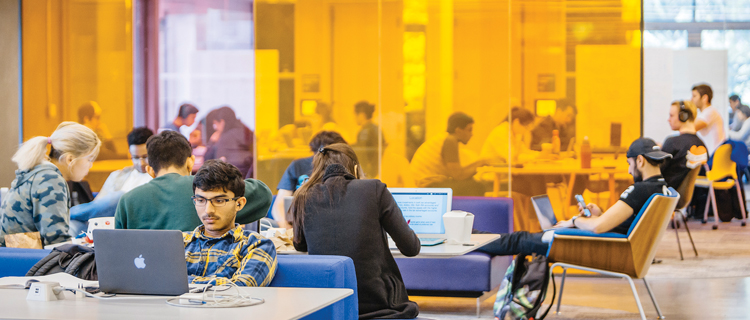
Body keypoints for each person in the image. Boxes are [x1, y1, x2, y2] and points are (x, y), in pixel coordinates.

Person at [479, 138, 673, 256]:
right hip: (618, 244)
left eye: (629, 163)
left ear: (640, 160)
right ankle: (475, 238)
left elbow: (597, 227)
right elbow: (626, 222)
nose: (629, 170)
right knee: (525, 238)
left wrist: (574, 221)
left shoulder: (640, 190)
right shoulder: (661, 188)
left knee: (519, 239)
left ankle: (473, 240)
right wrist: (601, 213)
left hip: (606, 248)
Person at [291, 143, 420, 319]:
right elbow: (411, 248)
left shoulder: (303, 195)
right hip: (380, 306)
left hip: (327, 306)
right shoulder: (375, 189)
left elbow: (300, 246)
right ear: (355, 168)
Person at [114, 130, 271, 231]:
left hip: (145, 280)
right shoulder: (207, 191)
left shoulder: (128, 201)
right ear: (190, 162)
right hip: (204, 274)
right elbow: (262, 193)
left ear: (149, 170)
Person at [0, 122, 101, 247]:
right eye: (89, 159)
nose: (91, 165)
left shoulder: (40, 171)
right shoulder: (51, 179)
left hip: (15, 255)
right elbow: (57, 243)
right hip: (23, 261)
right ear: (70, 159)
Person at [183, 160, 277, 286]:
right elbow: (155, 283)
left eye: (219, 200)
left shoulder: (255, 245)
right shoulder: (179, 242)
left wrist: (180, 282)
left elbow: (241, 289)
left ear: (239, 203)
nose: (208, 210)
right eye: (200, 200)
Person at [68, 127, 155, 235]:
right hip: (106, 223)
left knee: (121, 197)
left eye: (145, 157)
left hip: (131, 223)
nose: (141, 163)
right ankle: (68, 218)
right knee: (72, 224)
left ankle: (67, 213)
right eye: (136, 157)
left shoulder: (157, 176)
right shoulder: (118, 175)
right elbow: (97, 205)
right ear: (129, 154)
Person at [272, 131, 347, 228]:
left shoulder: (343, 168)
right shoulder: (297, 166)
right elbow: (279, 205)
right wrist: (287, 230)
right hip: (299, 224)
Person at [410, 112, 489, 196]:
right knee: (476, 186)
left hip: (423, 184)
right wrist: (481, 162)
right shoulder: (450, 140)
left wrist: (480, 163)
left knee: (471, 183)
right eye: (469, 130)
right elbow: (458, 175)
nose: (471, 134)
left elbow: (458, 173)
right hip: (426, 186)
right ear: (458, 130)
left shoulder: (444, 139)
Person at [661, 100, 707, 189]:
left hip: (669, 196)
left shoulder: (672, 142)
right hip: (693, 199)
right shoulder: (702, 145)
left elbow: (658, 171)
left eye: (671, 115)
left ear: (683, 116)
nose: (668, 119)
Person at [204, 106, 255, 178]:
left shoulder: (226, 138)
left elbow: (208, 162)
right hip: (247, 179)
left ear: (222, 122)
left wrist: (212, 142)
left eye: (215, 123)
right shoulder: (246, 132)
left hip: (231, 181)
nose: (215, 127)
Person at [692, 84, 725, 155]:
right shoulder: (706, 113)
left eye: (694, 96)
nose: (691, 99)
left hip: (714, 156)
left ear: (704, 98)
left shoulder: (710, 112)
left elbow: (691, 128)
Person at [353, 101, 381, 178]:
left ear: (362, 115)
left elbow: (362, 153)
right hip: (378, 170)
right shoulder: (377, 128)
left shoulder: (364, 131)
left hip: (369, 172)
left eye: (355, 115)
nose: (354, 118)